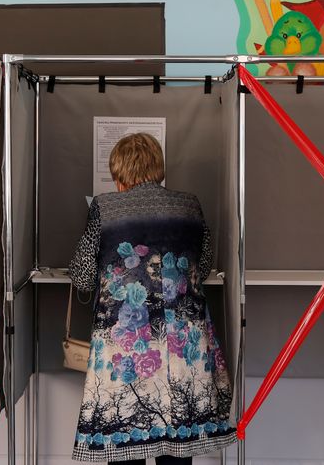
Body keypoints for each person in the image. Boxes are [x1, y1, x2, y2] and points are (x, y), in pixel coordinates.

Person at [68, 133, 235, 464]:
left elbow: (84, 276)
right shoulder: (190, 205)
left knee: (126, 434)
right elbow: (201, 267)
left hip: (128, 343)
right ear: (157, 168)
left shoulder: (104, 207)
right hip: (184, 345)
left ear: (120, 175)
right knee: (177, 446)